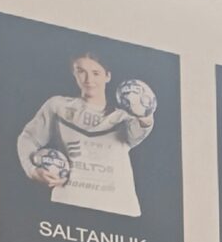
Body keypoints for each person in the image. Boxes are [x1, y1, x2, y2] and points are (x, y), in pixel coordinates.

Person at [16, 45, 155, 218]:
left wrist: (145, 114)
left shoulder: (124, 117)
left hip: (118, 208)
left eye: (96, 73)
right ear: (74, 73)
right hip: (68, 204)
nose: (89, 79)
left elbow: (139, 131)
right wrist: (32, 170)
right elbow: (28, 138)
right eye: (81, 71)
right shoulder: (58, 107)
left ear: (107, 76)